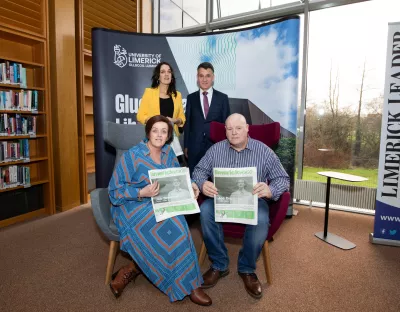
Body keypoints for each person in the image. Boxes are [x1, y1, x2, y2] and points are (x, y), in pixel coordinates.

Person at [108, 115, 212, 306]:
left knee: (180, 225)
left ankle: (189, 283)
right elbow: (114, 191)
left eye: (164, 131)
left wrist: (192, 185)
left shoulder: (168, 153)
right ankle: (180, 281)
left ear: (169, 135)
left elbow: (176, 177)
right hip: (132, 204)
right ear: (148, 132)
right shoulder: (132, 155)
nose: (159, 135)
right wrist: (141, 191)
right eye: (155, 130)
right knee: (165, 225)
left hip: (161, 200)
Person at [192, 113, 290, 299]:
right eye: (229, 129)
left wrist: (270, 189)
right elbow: (199, 171)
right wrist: (203, 183)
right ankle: (219, 264)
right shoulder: (215, 150)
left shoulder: (264, 151)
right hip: (222, 199)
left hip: (254, 200)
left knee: (261, 219)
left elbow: (283, 179)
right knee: (205, 211)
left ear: (247, 129)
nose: (234, 132)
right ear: (225, 131)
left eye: (238, 128)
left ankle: (246, 268)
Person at [184, 62, 231, 175]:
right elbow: (188, 124)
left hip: (217, 147)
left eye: (208, 76)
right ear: (197, 77)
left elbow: (227, 124)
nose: (204, 79)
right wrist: (186, 146)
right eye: (201, 76)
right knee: (194, 181)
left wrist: (228, 145)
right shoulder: (191, 98)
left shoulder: (222, 98)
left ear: (213, 77)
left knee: (217, 183)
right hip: (194, 148)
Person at [137, 62, 186, 159]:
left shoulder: (177, 95)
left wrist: (174, 120)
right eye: (163, 72)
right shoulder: (149, 92)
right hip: (154, 139)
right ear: (158, 76)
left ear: (171, 76)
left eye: (169, 72)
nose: (166, 74)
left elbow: (182, 119)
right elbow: (140, 116)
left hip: (171, 139)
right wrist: (156, 121)